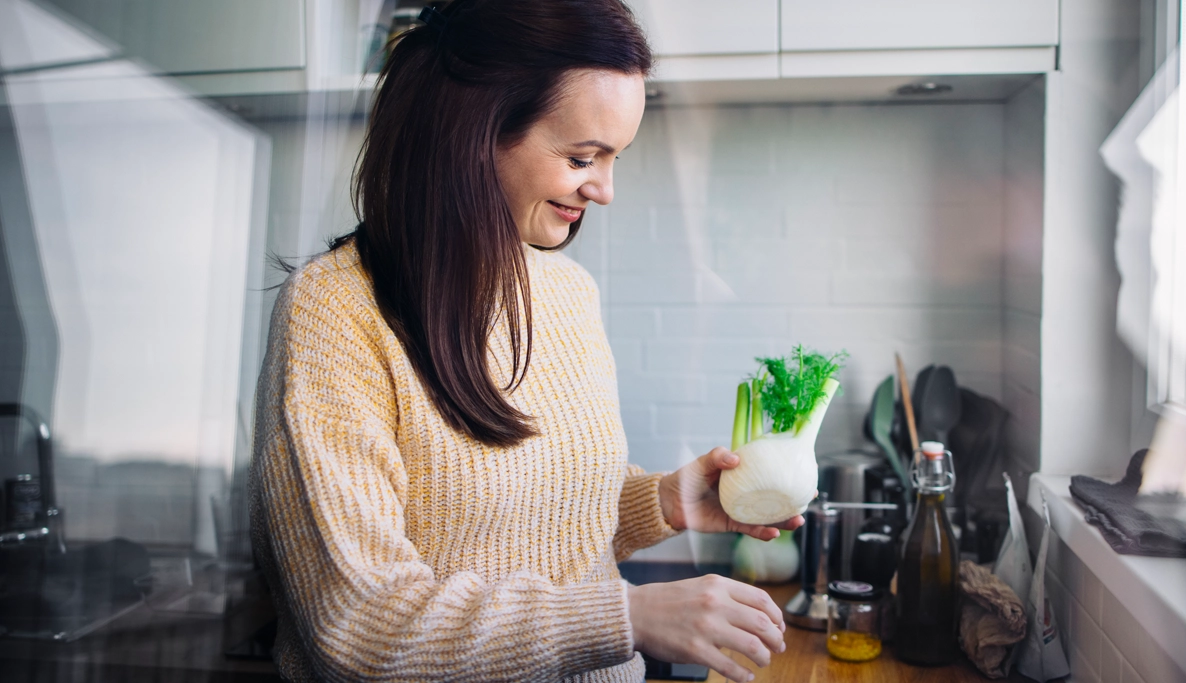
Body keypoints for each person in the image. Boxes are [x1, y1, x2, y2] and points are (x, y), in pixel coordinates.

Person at [249, 1, 800, 681]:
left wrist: (659, 500)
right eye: (582, 156)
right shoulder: (335, 310)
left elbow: (544, 526)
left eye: (614, 158)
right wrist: (627, 616)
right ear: (475, 134)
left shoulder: (569, 292)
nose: (604, 190)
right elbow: (362, 621)